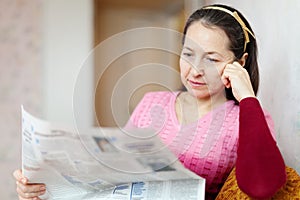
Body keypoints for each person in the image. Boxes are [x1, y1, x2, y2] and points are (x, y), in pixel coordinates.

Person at [13, 4, 287, 200]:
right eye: (188, 53)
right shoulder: (152, 104)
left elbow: (262, 187)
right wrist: (46, 190)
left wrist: (247, 97)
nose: (194, 70)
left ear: (238, 64)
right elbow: (114, 178)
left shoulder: (245, 119)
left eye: (212, 59)